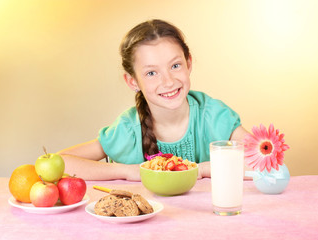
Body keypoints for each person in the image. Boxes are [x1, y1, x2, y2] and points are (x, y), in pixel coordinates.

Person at [58, 19, 250, 181]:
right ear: (133, 81)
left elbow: (266, 160)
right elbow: (59, 162)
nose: (168, 81)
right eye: (151, 73)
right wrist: (127, 171)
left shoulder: (213, 115)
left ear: (188, 63)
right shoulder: (128, 129)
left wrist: (200, 170)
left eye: (175, 65)